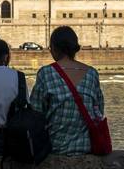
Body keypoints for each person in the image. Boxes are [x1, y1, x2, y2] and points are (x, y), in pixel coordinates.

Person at [29, 26, 106, 155]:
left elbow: (35, 113)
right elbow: (99, 110)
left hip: (55, 148)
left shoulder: (46, 73)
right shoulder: (92, 73)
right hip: (86, 148)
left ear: (54, 48)